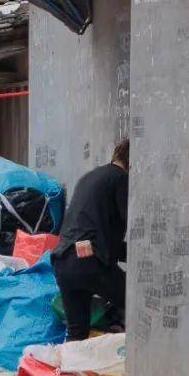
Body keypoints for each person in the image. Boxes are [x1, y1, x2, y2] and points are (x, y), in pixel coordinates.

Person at [51, 139, 130, 342]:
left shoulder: (89, 178)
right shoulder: (121, 178)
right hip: (89, 261)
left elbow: (101, 235)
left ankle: (69, 363)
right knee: (137, 302)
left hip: (63, 262)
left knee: (76, 334)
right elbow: (135, 226)